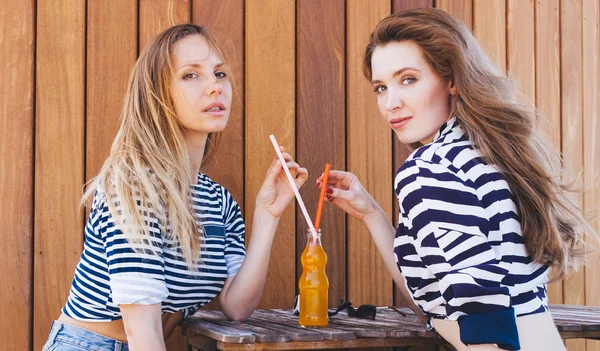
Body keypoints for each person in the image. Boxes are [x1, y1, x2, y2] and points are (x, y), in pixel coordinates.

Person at [319, 8, 592, 351]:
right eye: (380, 87)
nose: (391, 103)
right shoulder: (495, 154)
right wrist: (372, 214)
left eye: (408, 79)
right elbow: (444, 291)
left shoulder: (428, 168)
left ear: (452, 78)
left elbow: (482, 311)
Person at [42, 24, 307, 351]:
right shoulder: (135, 185)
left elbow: (236, 306)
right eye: (191, 75)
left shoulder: (219, 202)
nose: (214, 87)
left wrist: (267, 215)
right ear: (159, 94)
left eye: (219, 73)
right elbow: (143, 332)